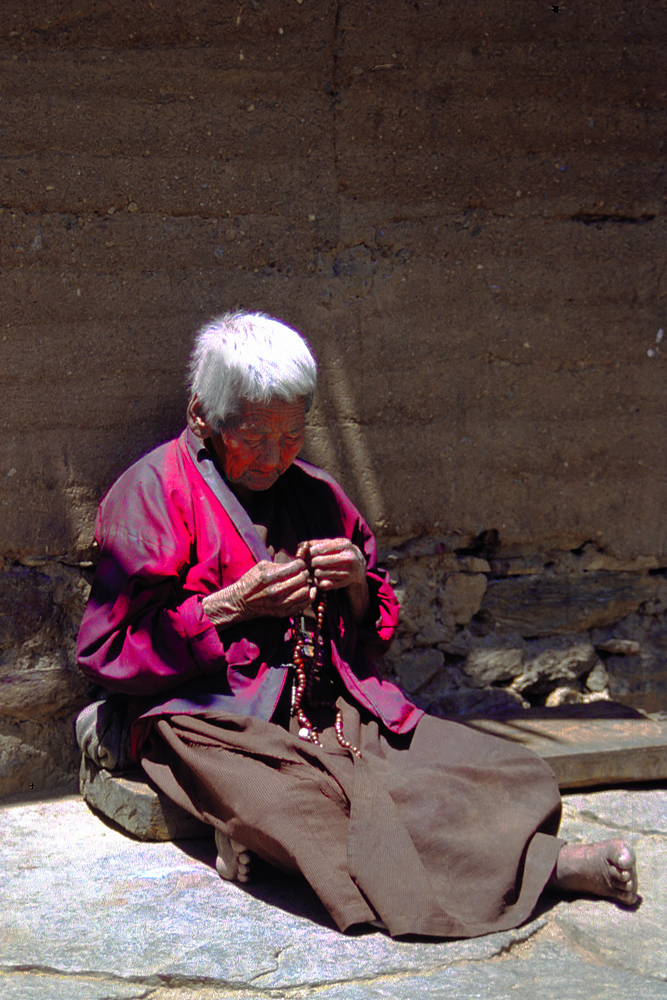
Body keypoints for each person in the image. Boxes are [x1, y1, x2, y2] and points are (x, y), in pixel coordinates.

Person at [77, 311, 638, 937]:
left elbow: (371, 634)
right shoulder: (151, 493)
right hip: (209, 713)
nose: (275, 458)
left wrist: (354, 586)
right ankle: (548, 870)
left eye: (292, 437)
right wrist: (233, 604)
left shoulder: (315, 493)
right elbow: (107, 648)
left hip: (323, 701)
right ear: (202, 416)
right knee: (300, 802)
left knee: (496, 770)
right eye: (256, 438)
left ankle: (542, 861)